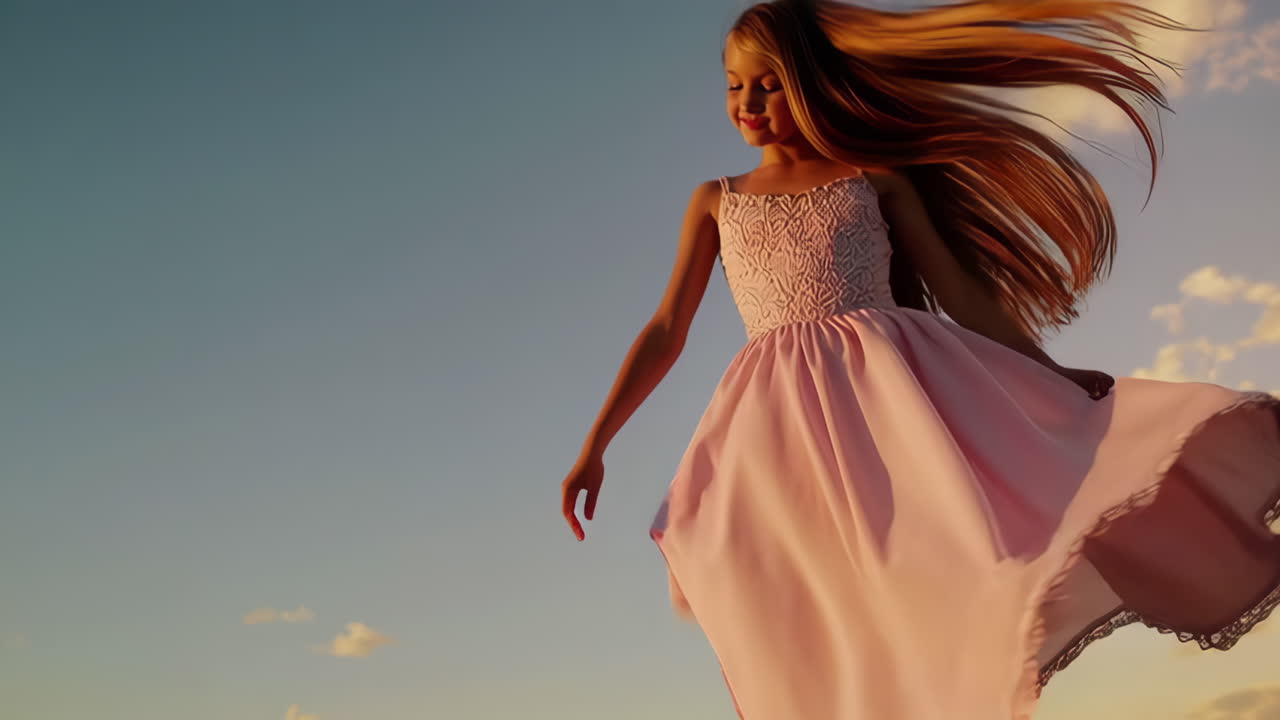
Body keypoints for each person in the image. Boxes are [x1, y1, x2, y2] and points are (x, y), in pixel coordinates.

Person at [559, 1, 1280, 717]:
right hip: (777, 432)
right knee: (798, 590)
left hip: (891, 404)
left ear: (810, 82)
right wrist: (598, 444)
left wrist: (1050, 374)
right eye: (732, 84)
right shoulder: (717, 200)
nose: (747, 101)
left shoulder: (874, 180)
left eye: (768, 83)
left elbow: (961, 295)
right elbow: (665, 329)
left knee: (948, 555)